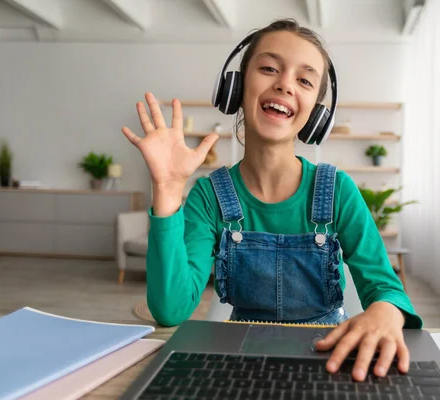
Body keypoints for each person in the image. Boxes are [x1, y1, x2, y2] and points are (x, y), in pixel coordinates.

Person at [122, 18, 423, 382]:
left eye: (305, 80)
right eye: (268, 68)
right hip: (239, 361)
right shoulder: (209, 195)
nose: (284, 84)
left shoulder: (338, 190)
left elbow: (385, 286)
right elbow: (171, 310)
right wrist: (168, 190)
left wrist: (386, 312)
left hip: (327, 357)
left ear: (317, 113)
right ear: (235, 87)